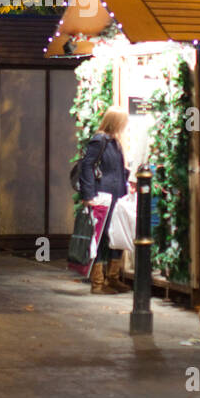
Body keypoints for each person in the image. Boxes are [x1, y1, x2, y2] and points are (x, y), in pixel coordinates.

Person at [76, 107, 132, 294]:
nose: (125, 125)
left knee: (116, 234)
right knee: (100, 237)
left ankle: (112, 278)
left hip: (116, 193)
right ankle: (98, 282)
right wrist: (88, 195)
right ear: (115, 121)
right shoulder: (100, 140)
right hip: (103, 194)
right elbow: (87, 166)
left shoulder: (113, 141)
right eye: (123, 121)